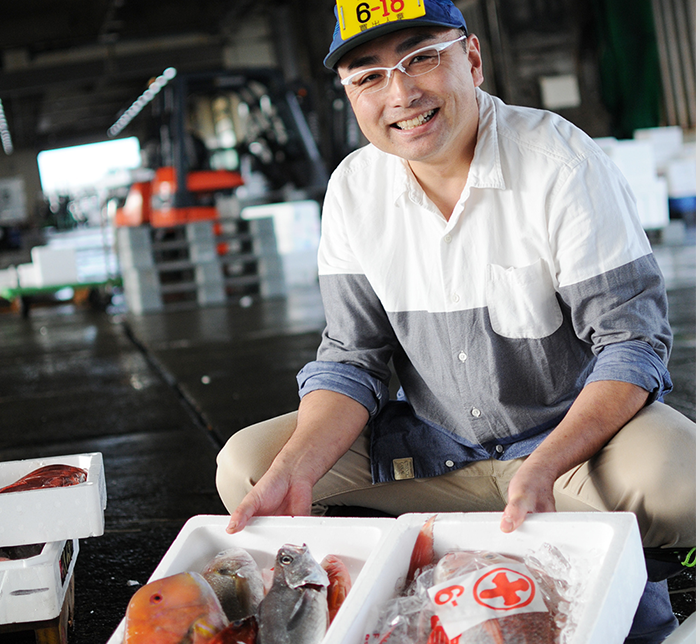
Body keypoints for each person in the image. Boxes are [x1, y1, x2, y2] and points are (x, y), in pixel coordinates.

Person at [216, 1, 695, 641]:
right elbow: (353, 358)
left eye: (422, 59)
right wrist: (297, 469)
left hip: (574, 447)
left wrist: (547, 463)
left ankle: (614, 574)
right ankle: (395, 591)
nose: (403, 93)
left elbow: (632, 342)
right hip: (436, 449)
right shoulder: (354, 192)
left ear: (471, 58)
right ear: (350, 94)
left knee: (679, 477)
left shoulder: (559, 163)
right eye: (370, 76)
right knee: (251, 466)